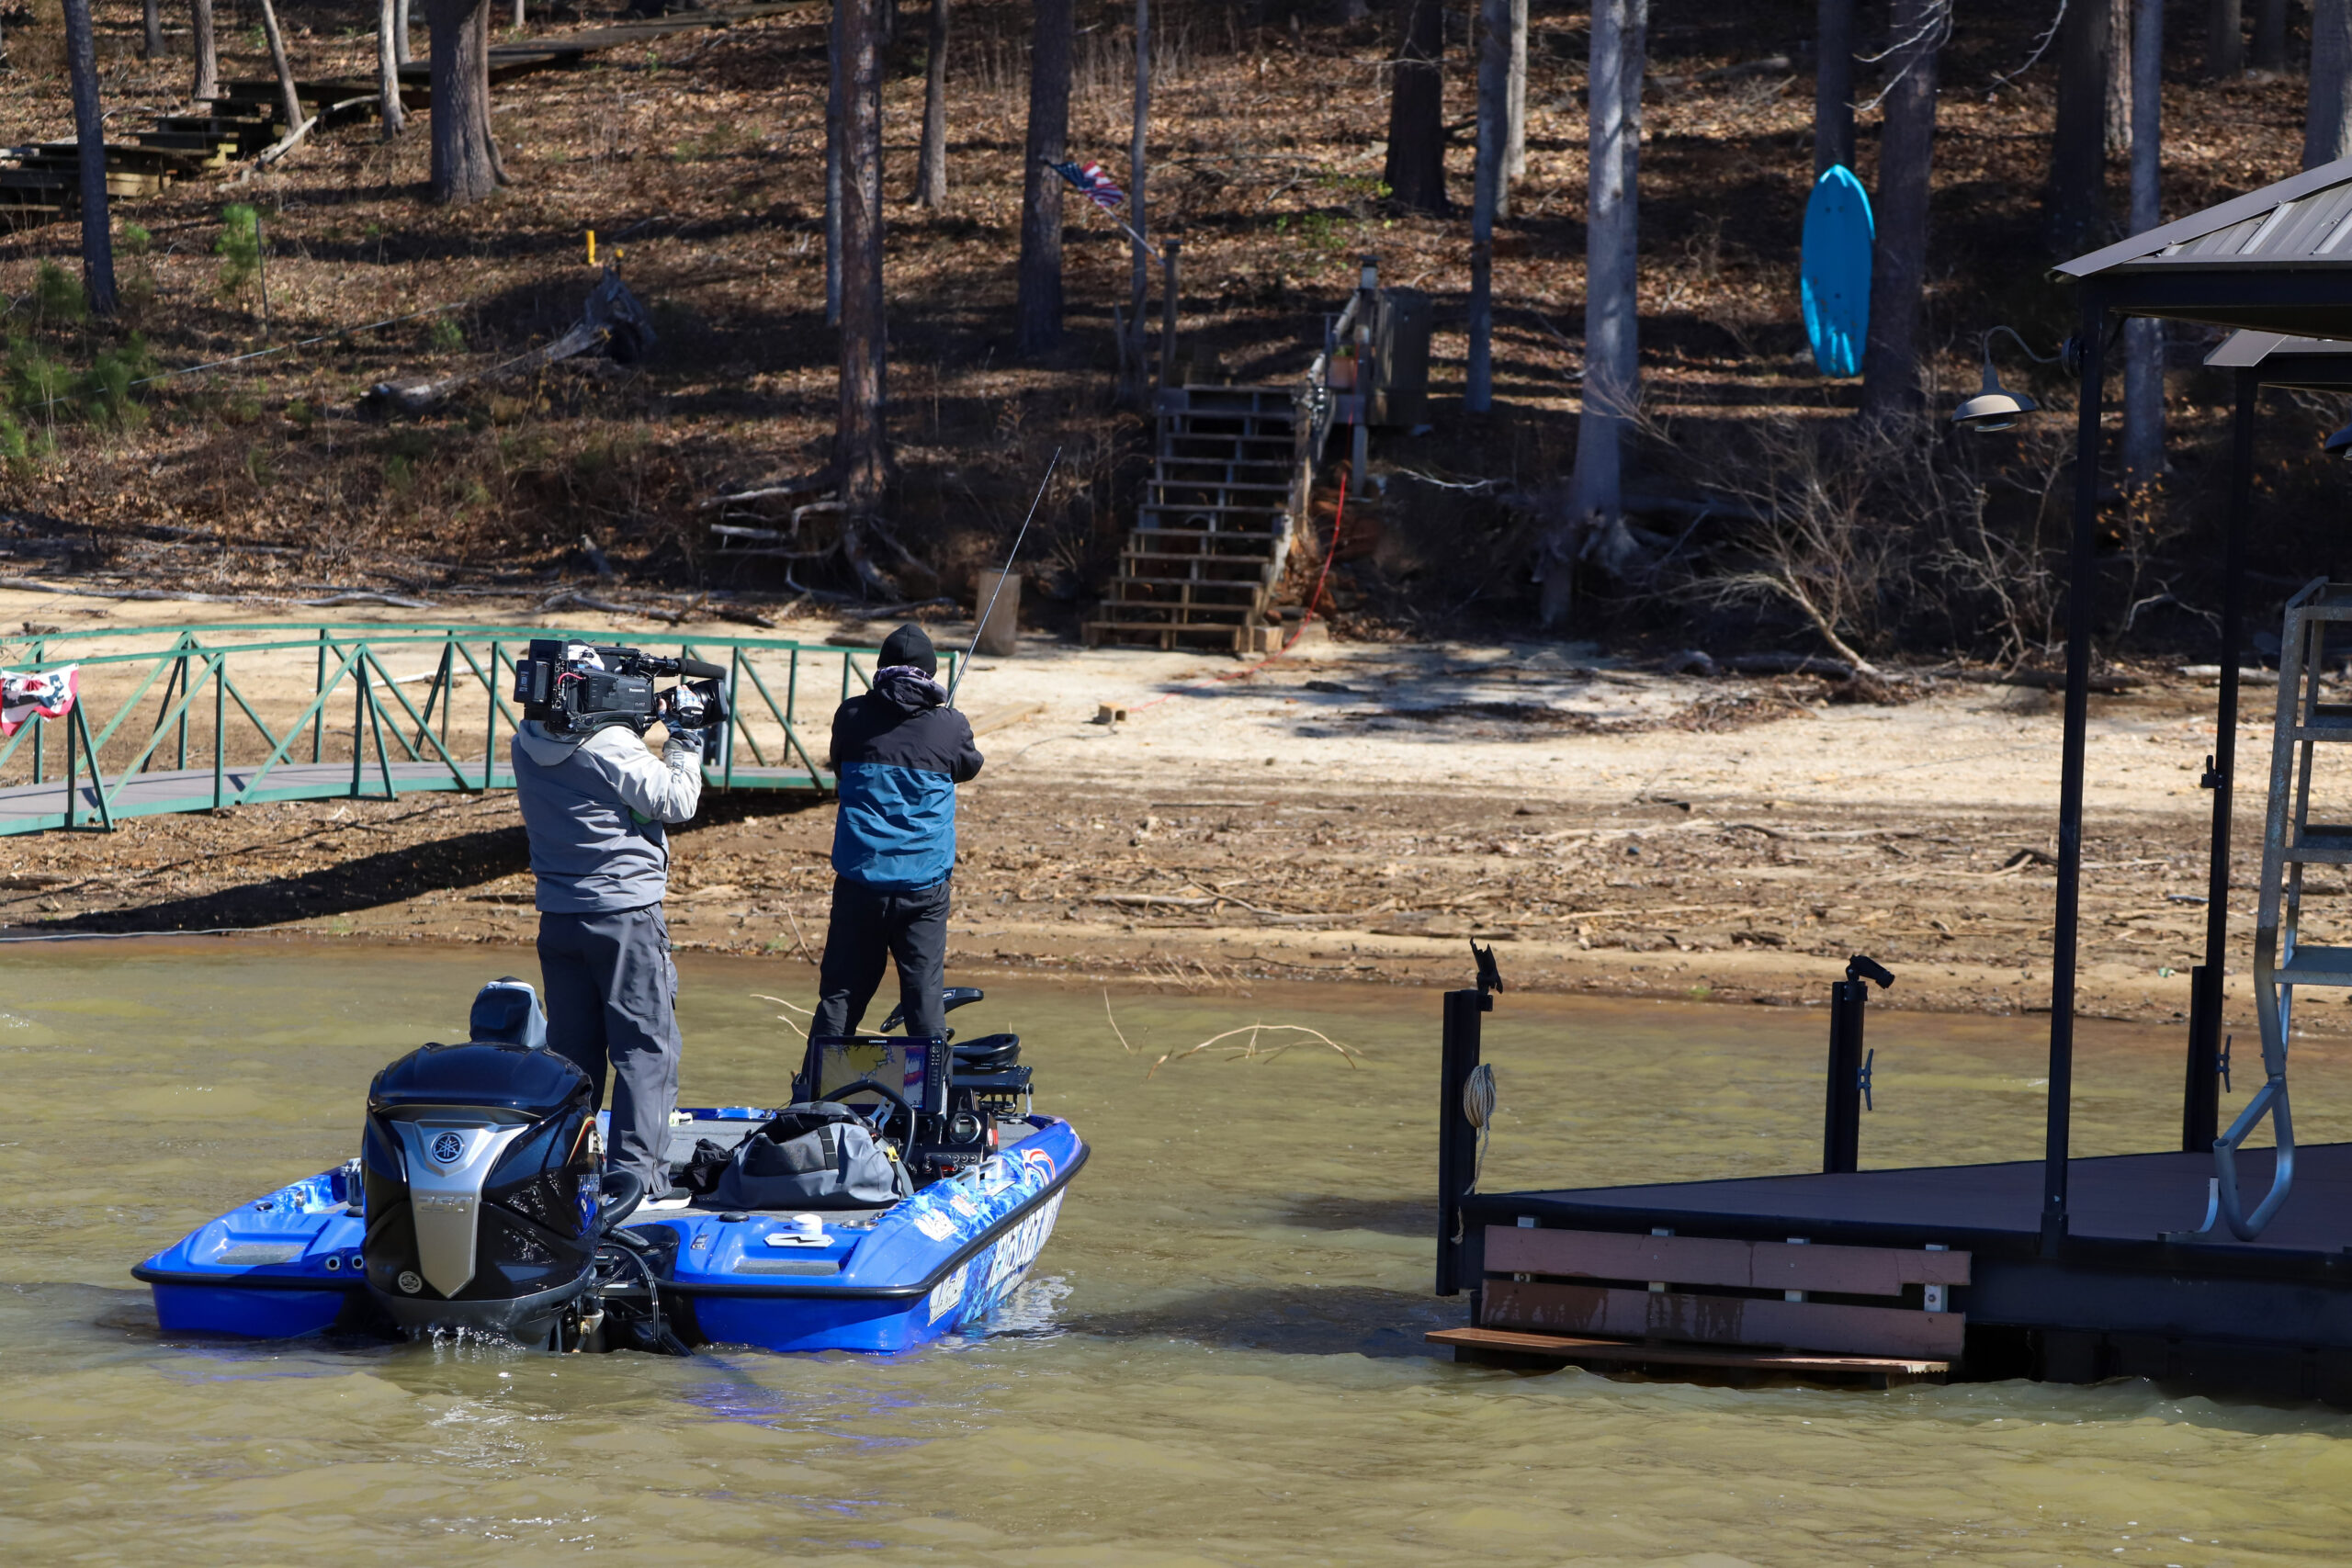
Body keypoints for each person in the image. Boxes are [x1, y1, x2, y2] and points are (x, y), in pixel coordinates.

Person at [512, 677, 707, 1201]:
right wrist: (684, 738)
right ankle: (635, 1184)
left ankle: (562, 1172)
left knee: (572, 1055)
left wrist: (634, 718)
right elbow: (676, 799)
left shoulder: (527, 738)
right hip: (624, 916)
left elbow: (600, 783)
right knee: (646, 1051)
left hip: (560, 916)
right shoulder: (607, 744)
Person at [808, 623, 983, 1046]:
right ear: (930, 673)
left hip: (859, 884)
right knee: (923, 996)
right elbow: (969, 765)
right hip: (923, 889)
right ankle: (931, 1103)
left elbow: (839, 761)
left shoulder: (850, 715)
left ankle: (813, 1097)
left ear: (881, 668)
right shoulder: (950, 724)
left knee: (842, 995)